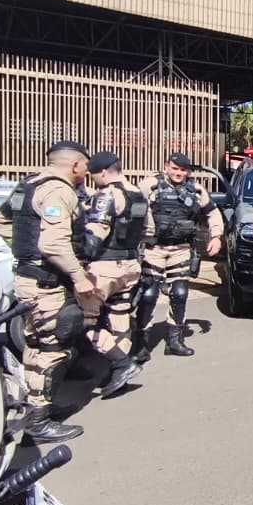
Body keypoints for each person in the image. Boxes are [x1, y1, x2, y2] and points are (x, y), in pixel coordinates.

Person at [0, 141, 94, 443]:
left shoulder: (27, 186)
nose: (86, 172)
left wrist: (25, 253)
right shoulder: (59, 191)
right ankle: (39, 422)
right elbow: (53, 244)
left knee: (35, 344)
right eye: (85, 166)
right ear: (76, 165)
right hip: (48, 283)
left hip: (28, 279)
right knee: (52, 347)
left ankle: (38, 406)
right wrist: (78, 276)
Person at [138, 153, 225, 358]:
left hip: (181, 249)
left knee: (179, 293)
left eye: (183, 170)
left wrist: (216, 236)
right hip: (153, 248)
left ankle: (174, 341)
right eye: (175, 168)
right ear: (167, 167)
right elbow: (131, 207)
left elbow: (212, 212)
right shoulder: (150, 185)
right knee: (148, 294)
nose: (178, 173)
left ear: (188, 171)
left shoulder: (196, 190)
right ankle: (140, 344)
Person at [82, 152, 150, 399]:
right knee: (120, 318)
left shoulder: (107, 195)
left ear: (102, 172)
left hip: (105, 268)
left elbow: (94, 235)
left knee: (82, 321)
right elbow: (148, 230)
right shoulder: (138, 194)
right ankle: (118, 374)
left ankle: (121, 363)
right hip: (130, 266)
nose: (92, 180)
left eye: (93, 175)